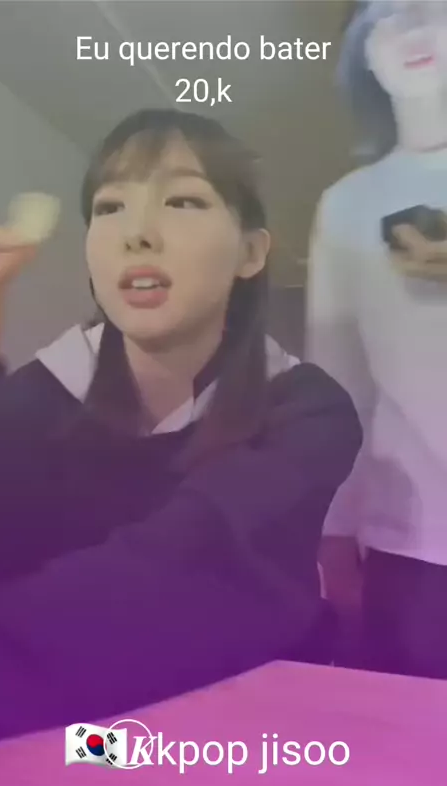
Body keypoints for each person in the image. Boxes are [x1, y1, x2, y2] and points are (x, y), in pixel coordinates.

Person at [0, 109, 361, 749]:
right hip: (68, 742)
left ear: (250, 253)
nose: (138, 233)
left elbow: (185, 573)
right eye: (110, 207)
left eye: (182, 200)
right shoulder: (35, 399)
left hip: (254, 737)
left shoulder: (308, 413)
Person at [307, 1, 447, 677]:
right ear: (362, 48)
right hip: (408, 547)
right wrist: (333, 528)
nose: (414, 28)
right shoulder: (347, 204)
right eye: (389, 12)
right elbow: (338, 384)